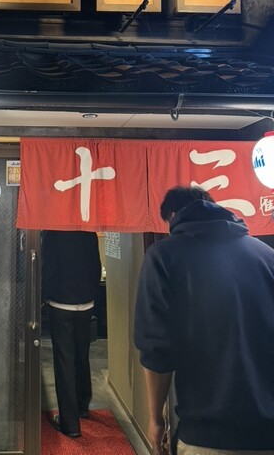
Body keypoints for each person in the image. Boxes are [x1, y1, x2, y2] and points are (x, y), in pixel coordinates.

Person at [134, 185, 274, 455]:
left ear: (172, 216)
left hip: (207, 433)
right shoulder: (266, 256)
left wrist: (156, 419)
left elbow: (156, 350)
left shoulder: (163, 256)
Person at [42, 229, 102, 439]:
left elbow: (48, 268)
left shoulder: (53, 232)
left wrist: (44, 295)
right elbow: (96, 267)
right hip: (85, 302)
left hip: (60, 302)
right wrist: (92, 293)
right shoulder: (89, 232)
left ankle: (70, 423)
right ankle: (82, 406)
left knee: (64, 361)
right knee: (81, 354)